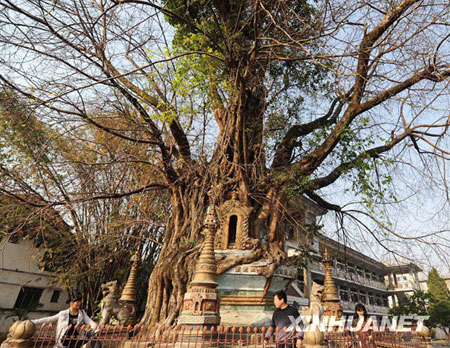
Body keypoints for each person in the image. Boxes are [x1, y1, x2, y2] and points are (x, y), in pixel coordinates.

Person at [31, 292, 99, 348]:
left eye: (79, 302)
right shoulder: (63, 313)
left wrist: (97, 329)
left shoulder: (82, 313)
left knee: (92, 335)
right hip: (64, 340)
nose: (79, 303)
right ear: (71, 303)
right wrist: (32, 322)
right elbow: (48, 319)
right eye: (77, 302)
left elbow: (90, 321)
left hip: (76, 338)